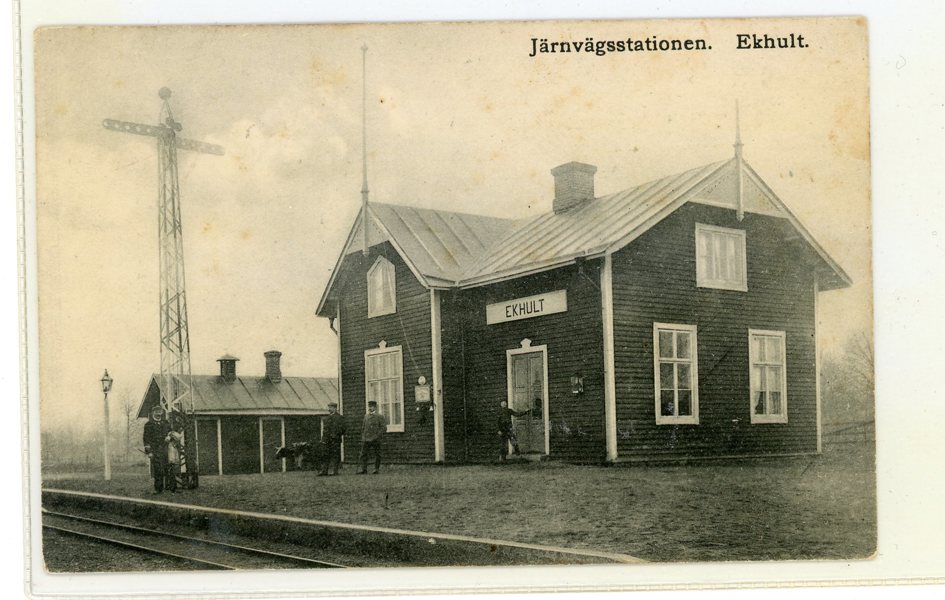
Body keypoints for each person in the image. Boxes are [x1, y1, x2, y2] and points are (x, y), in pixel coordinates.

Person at [143, 406, 176, 493]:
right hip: (155, 450)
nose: (158, 414)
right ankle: (158, 489)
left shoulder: (166, 423)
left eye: (160, 412)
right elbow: (146, 439)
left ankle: (172, 488)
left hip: (166, 450)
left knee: (170, 468)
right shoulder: (148, 425)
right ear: (153, 413)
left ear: (162, 413)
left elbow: (172, 433)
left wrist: (169, 437)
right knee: (158, 470)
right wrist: (149, 452)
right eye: (156, 412)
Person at [358, 401, 387, 474]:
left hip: (375, 439)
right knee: (363, 454)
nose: (370, 408)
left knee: (377, 454)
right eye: (369, 406)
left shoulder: (379, 416)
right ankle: (364, 469)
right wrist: (363, 436)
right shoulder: (366, 416)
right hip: (366, 439)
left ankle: (376, 469)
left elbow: (384, 428)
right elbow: (363, 427)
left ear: (375, 407)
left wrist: (377, 435)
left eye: (371, 406)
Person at [318, 402, 346, 476]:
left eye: (330, 407)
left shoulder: (340, 417)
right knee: (325, 455)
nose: (329, 409)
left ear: (334, 408)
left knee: (335, 455)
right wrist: (323, 439)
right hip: (327, 440)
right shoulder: (327, 418)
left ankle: (335, 471)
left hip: (335, 440)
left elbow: (343, 429)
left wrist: (336, 435)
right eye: (329, 407)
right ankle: (324, 471)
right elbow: (325, 430)